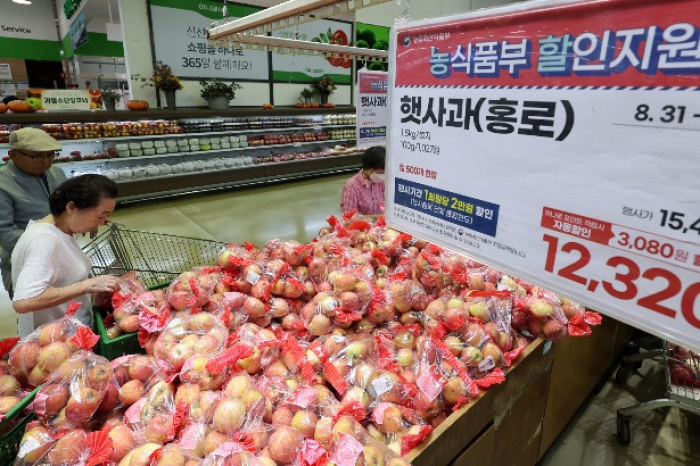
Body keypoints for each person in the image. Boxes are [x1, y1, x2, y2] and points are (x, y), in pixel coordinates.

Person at [11, 174, 122, 337]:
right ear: (71, 208)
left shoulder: (58, 229)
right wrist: (87, 285)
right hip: (54, 341)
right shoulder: (44, 240)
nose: (102, 223)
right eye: (100, 215)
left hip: (68, 332)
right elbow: (24, 301)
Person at [0, 127, 68, 298]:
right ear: (13, 155)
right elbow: (4, 232)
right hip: (26, 260)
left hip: (62, 253)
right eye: (36, 156)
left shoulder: (56, 172)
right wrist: (47, 242)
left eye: (50, 155)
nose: (45, 161)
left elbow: (69, 202)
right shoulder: (3, 184)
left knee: (66, 307)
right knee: (33, 313)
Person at [341, 146, 386, 215]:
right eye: (382, 173)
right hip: (363, 225)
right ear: (371, 170)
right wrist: (376, 218)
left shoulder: (383, 182)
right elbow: (349, 215)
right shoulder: (352, 186)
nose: (384, 175)